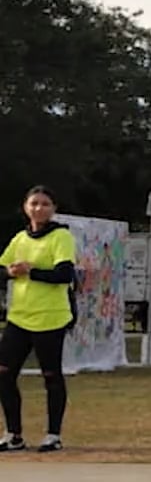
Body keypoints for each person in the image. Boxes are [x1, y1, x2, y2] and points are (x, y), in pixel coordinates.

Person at [1, 186, 76, 453]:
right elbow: (5, 267)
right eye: (34, 203)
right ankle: (14, 435)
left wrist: (31, 272)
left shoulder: (60, 236)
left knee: (51, 376)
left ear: (53, 208)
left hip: (50, 318)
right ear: (25, 207)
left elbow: (64, 274)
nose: (39, 208)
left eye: (45, 204)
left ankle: (53, 435)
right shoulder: (20, 238)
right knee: (4, 375)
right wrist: (11, 272)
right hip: (20, 316)